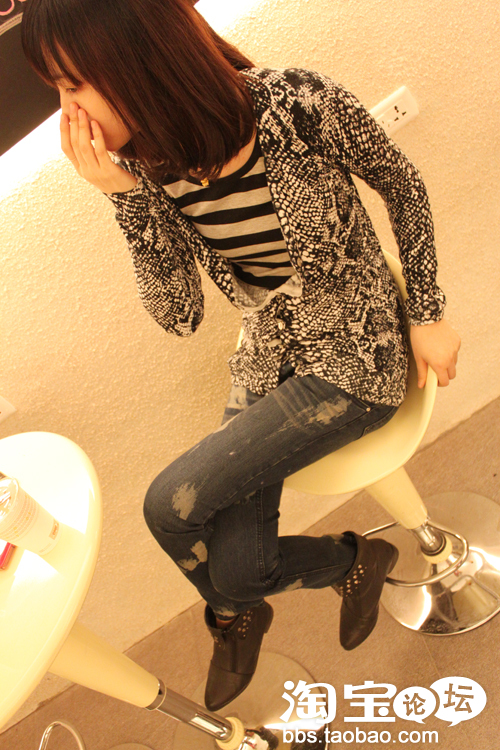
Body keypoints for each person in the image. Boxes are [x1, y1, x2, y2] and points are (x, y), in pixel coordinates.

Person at [22, 0, 460, 712]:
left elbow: (402, 185)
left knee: (168, 508)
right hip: (270, 349)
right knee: (238, 571)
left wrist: (431, 313)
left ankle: (236, 615)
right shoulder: (147, 168)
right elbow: (179, 315)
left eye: (74, 85)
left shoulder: (296, 103)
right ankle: (348, 564)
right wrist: (124, 198)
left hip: (356, 353)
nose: (67, 114)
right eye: (57, 90)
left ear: (137, 61)